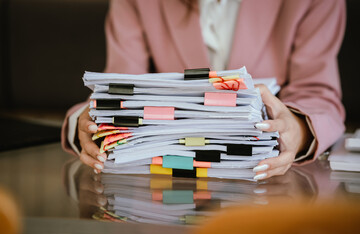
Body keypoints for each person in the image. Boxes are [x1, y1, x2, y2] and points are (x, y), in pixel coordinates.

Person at [61, 0, 346, 181]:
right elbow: (118, 87)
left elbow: (318, 93)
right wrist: (85, 123)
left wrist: (296, 129)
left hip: (270, 190)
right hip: (165, 190)